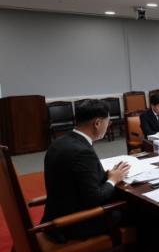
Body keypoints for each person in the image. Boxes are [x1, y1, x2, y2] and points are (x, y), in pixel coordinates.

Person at [42, 99, 131, 242]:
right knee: (139, 211)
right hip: (73, 223)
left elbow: (76, 179)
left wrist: (107, 175)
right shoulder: (82, 152)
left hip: (58, 214)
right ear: (97, 123)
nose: (109, 125)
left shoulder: (59, 142)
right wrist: (113, 180)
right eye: (108, 121)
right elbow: (94, 198)